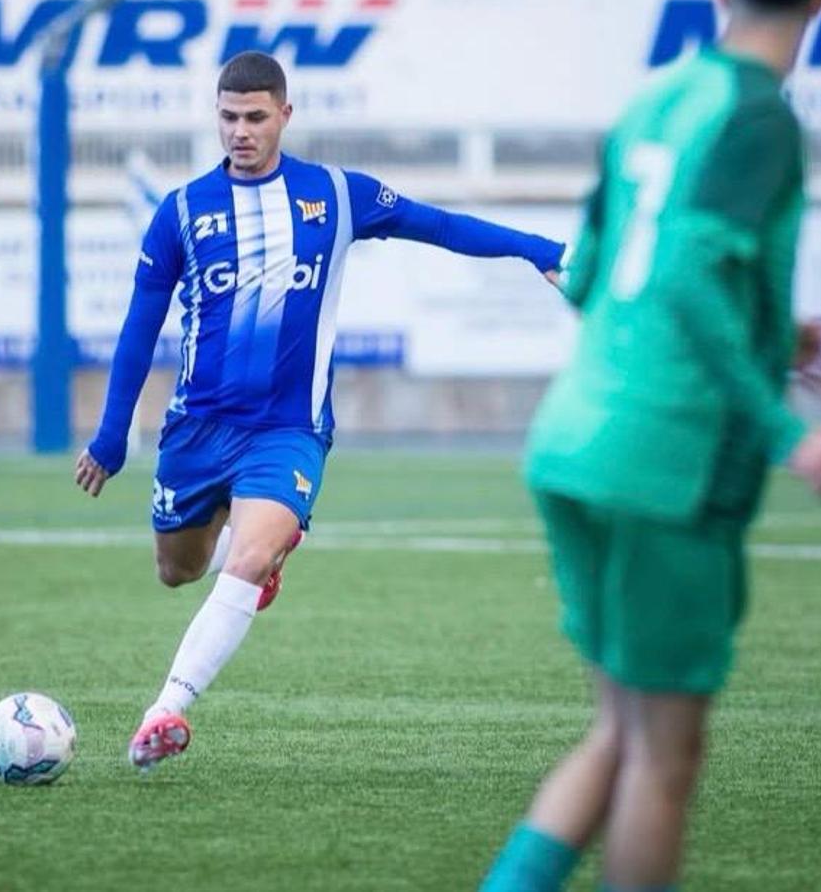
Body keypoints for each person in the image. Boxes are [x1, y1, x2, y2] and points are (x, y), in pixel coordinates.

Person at [479, 0, 821, 890]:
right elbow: (691, 269)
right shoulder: (758, 118)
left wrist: (773, 340)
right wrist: (785, 430)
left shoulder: (656, 100)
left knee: (620, 732)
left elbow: (586, 275)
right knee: (663, 758)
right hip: (664, 465)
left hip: (573, 440)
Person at [74, 51, 564, 771]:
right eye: (228, 118)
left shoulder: (334, 195)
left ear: (285, 115)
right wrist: (113, 436)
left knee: (248, 555)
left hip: (288, 430)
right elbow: (139, 326)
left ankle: (166, 710)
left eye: (255, 117)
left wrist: (539, 249)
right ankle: (247, 556)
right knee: (178, 570)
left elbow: (440, 225)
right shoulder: (180, 212)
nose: (240, 132)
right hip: (196, 431)